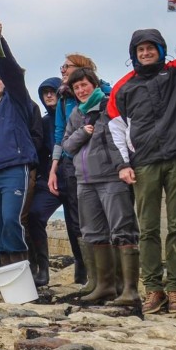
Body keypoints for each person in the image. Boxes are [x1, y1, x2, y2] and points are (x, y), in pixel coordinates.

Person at [107, 0, 176, 314]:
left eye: (151, 47)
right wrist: (123, 164)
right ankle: (154, 289)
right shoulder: (122, 88)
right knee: (149, 228)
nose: (146, 52)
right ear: (133, 55)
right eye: (140, 49)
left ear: (161, 50)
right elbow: (115, 130)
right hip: (145, 164)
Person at [62, 68, 140, 304]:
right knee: (93, 233)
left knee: (122, 229)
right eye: (76, 88)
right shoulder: (76, 113)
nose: (81, 90)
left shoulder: (110, 106)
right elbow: (66, 145)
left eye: (84, 85)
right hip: (84, 180)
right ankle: (105, 286)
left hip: (110, 177)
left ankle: (129, 291)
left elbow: (122, 138)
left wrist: (124, 166)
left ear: (94, 84)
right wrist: (81, 133)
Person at [0, 20, 39, 270]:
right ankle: (7, 279)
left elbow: (12, 72)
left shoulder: (18, 100)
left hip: (14, 168)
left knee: (12, 221)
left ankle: (24, 273)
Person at [48, 54, 110, 291]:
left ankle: (105, 277)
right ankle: (84, 272)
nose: (63, 70)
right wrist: (54, 167)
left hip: (101, 162)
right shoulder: (65, 98)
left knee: (104, 219)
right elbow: (60, 132)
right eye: (62, 66)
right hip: (70, 162)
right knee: (76, 220)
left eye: (67, 66)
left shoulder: (105, 92)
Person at [24, 77, 63, 287]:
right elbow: (37, 147)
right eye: (45, 92)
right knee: (34, 216)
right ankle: (41, 269)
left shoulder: (74, 114)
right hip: (47, 179)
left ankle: (83, 274)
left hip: (74, 177)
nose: (49, 95)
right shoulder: (45, 121)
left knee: (78, 227)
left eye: (52, 91)